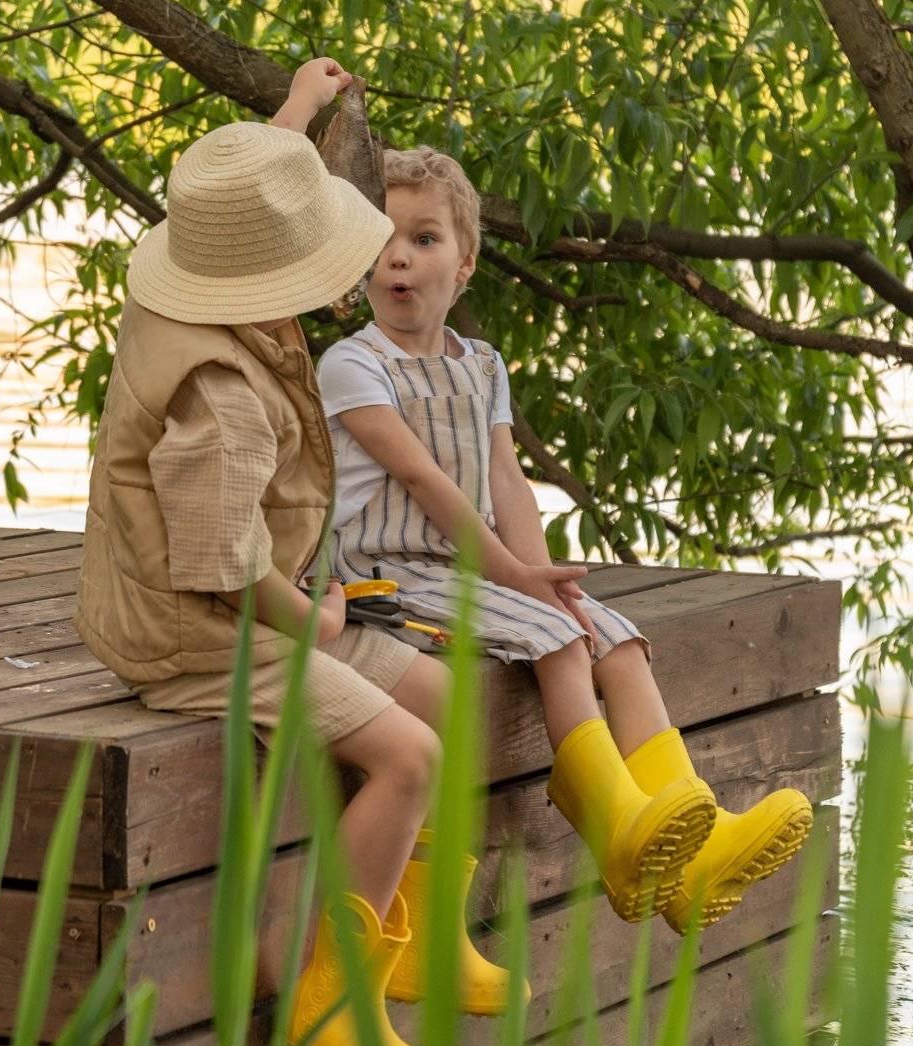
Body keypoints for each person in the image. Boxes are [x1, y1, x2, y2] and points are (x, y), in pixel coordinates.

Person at [74, 65, 510, 1046]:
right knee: (407, 756)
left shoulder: (191, 273)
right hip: (196, 632)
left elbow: (238, 197)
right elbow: (220, 570)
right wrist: (311, 619)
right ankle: (331, 992)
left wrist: (300, 110)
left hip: (244, 603)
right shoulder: (220, 395)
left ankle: (419, 937)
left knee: (451, 702)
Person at [316, 144, 814, 934]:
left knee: (611, 639)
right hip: (387, 572)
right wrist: (513, 578)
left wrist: (543, 577)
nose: (397, 257)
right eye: (381, 240)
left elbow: (506, 480)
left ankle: (694, 853)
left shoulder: (481, 365)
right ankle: (616, 832)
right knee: (554, 640)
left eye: (422, 238)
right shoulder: (352, 363)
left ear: (465, 262)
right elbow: (421, 480)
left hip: (467, 564)